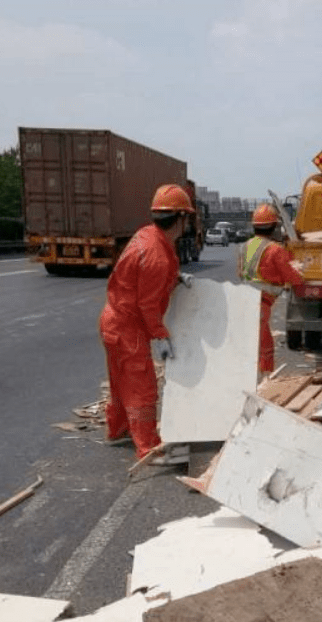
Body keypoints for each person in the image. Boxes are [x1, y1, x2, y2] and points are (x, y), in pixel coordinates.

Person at [99, 184, 194, 460]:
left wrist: (176, 278)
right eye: (186, 217)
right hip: (129, 327)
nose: (187, 222)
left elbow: (140, 279)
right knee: (142, 387)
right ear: (179, 218)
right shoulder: (156, 256)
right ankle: (147, 447)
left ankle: (118, 429)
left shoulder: (147, 236)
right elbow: (147, 304)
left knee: (120, 382)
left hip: (113, 321)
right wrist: (160, 335)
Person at [238, 203, 305, 379]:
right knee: (264, 345)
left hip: (245, 300)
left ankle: (253, 377)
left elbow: (240, 272)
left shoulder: (245, 246)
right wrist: (301, 269)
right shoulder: (275, 250)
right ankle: (264, 381)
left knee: (250, 342)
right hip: (262, 302)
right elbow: (294, 277)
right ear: (275, 227)